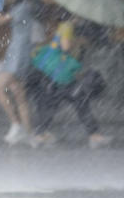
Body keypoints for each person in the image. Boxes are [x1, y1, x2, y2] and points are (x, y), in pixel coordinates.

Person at [28, 16, 112, 149]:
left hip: (60, 72)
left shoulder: (66, 27)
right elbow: (66, 46)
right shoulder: (67, 27)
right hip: (62, 72)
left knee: (63, 103)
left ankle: (40, 134)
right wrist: (79, 42)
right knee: (78, 101)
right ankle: (94, 135)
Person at [0, 0, 38, 145]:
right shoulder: (21, 6)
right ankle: (29, 134)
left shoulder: (22, 8)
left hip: (19, 53)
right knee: (19, 95)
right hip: (18, 51)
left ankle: (17, 125)